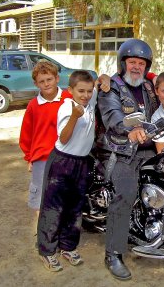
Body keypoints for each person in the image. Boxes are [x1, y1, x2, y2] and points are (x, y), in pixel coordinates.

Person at [95, 38, 159, 281]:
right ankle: (113, 253)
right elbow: (113, 117)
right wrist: (128, 130)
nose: (136, 67)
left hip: (147, 149)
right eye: (132, 62)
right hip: (120, 151)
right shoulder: (110, 87)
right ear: (123, 63)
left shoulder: (148, 86)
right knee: (127, 192)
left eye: (141, 63)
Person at [37, 70, 110, 272]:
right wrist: (74, 118)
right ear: (70, 90)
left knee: (75, 207)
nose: (85, 95)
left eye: (88, 91)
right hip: (62, 161)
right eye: (81, 91)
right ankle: (47, 251)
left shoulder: (89, 100)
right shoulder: (67, 108)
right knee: (53, 208)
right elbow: (64, 138)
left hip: (81, 162)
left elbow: (100, 80)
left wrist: (104, 78)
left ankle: (67, 246)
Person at [19, 60, 72, 238]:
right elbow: (26, 134)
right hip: (41, 157)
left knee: (62, 195)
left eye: (49, 79)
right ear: (36, 83)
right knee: (41, 196)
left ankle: (60, 230)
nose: (46, 84)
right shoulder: (33, 105)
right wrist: (29, 158)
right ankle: (43, 231)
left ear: (57, 78)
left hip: (65, 157)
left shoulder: (68, 99)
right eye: (42, 81)